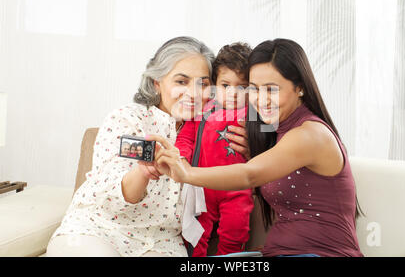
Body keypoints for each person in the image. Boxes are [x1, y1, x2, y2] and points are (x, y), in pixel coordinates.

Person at [147, 38, 364, 257]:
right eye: (254, 89)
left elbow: (250, 175)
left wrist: (186, 173)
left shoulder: (310, 134)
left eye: (271, 89)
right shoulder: (276, 130)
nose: (261, 100)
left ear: (300, 87)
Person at [46, 36, 249, 257]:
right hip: (99, 230)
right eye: (181, 82)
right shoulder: (129, 119)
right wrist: (143, 172)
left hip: (163, 242)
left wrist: (251, 152)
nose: (193, 93)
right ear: (157, 83)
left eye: (203, 83)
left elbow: (251, 184)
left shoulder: (216, 132)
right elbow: (111, 197)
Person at [175, 42, 254, 256]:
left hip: (237, 189)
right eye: (226, 86)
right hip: (202, 187)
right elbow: (186, 136)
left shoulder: (253, 115)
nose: (233, 94)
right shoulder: (203, 108)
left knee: (236, 231)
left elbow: (267, 149)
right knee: (195, 235)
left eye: (242, 87)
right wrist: (181, 157)